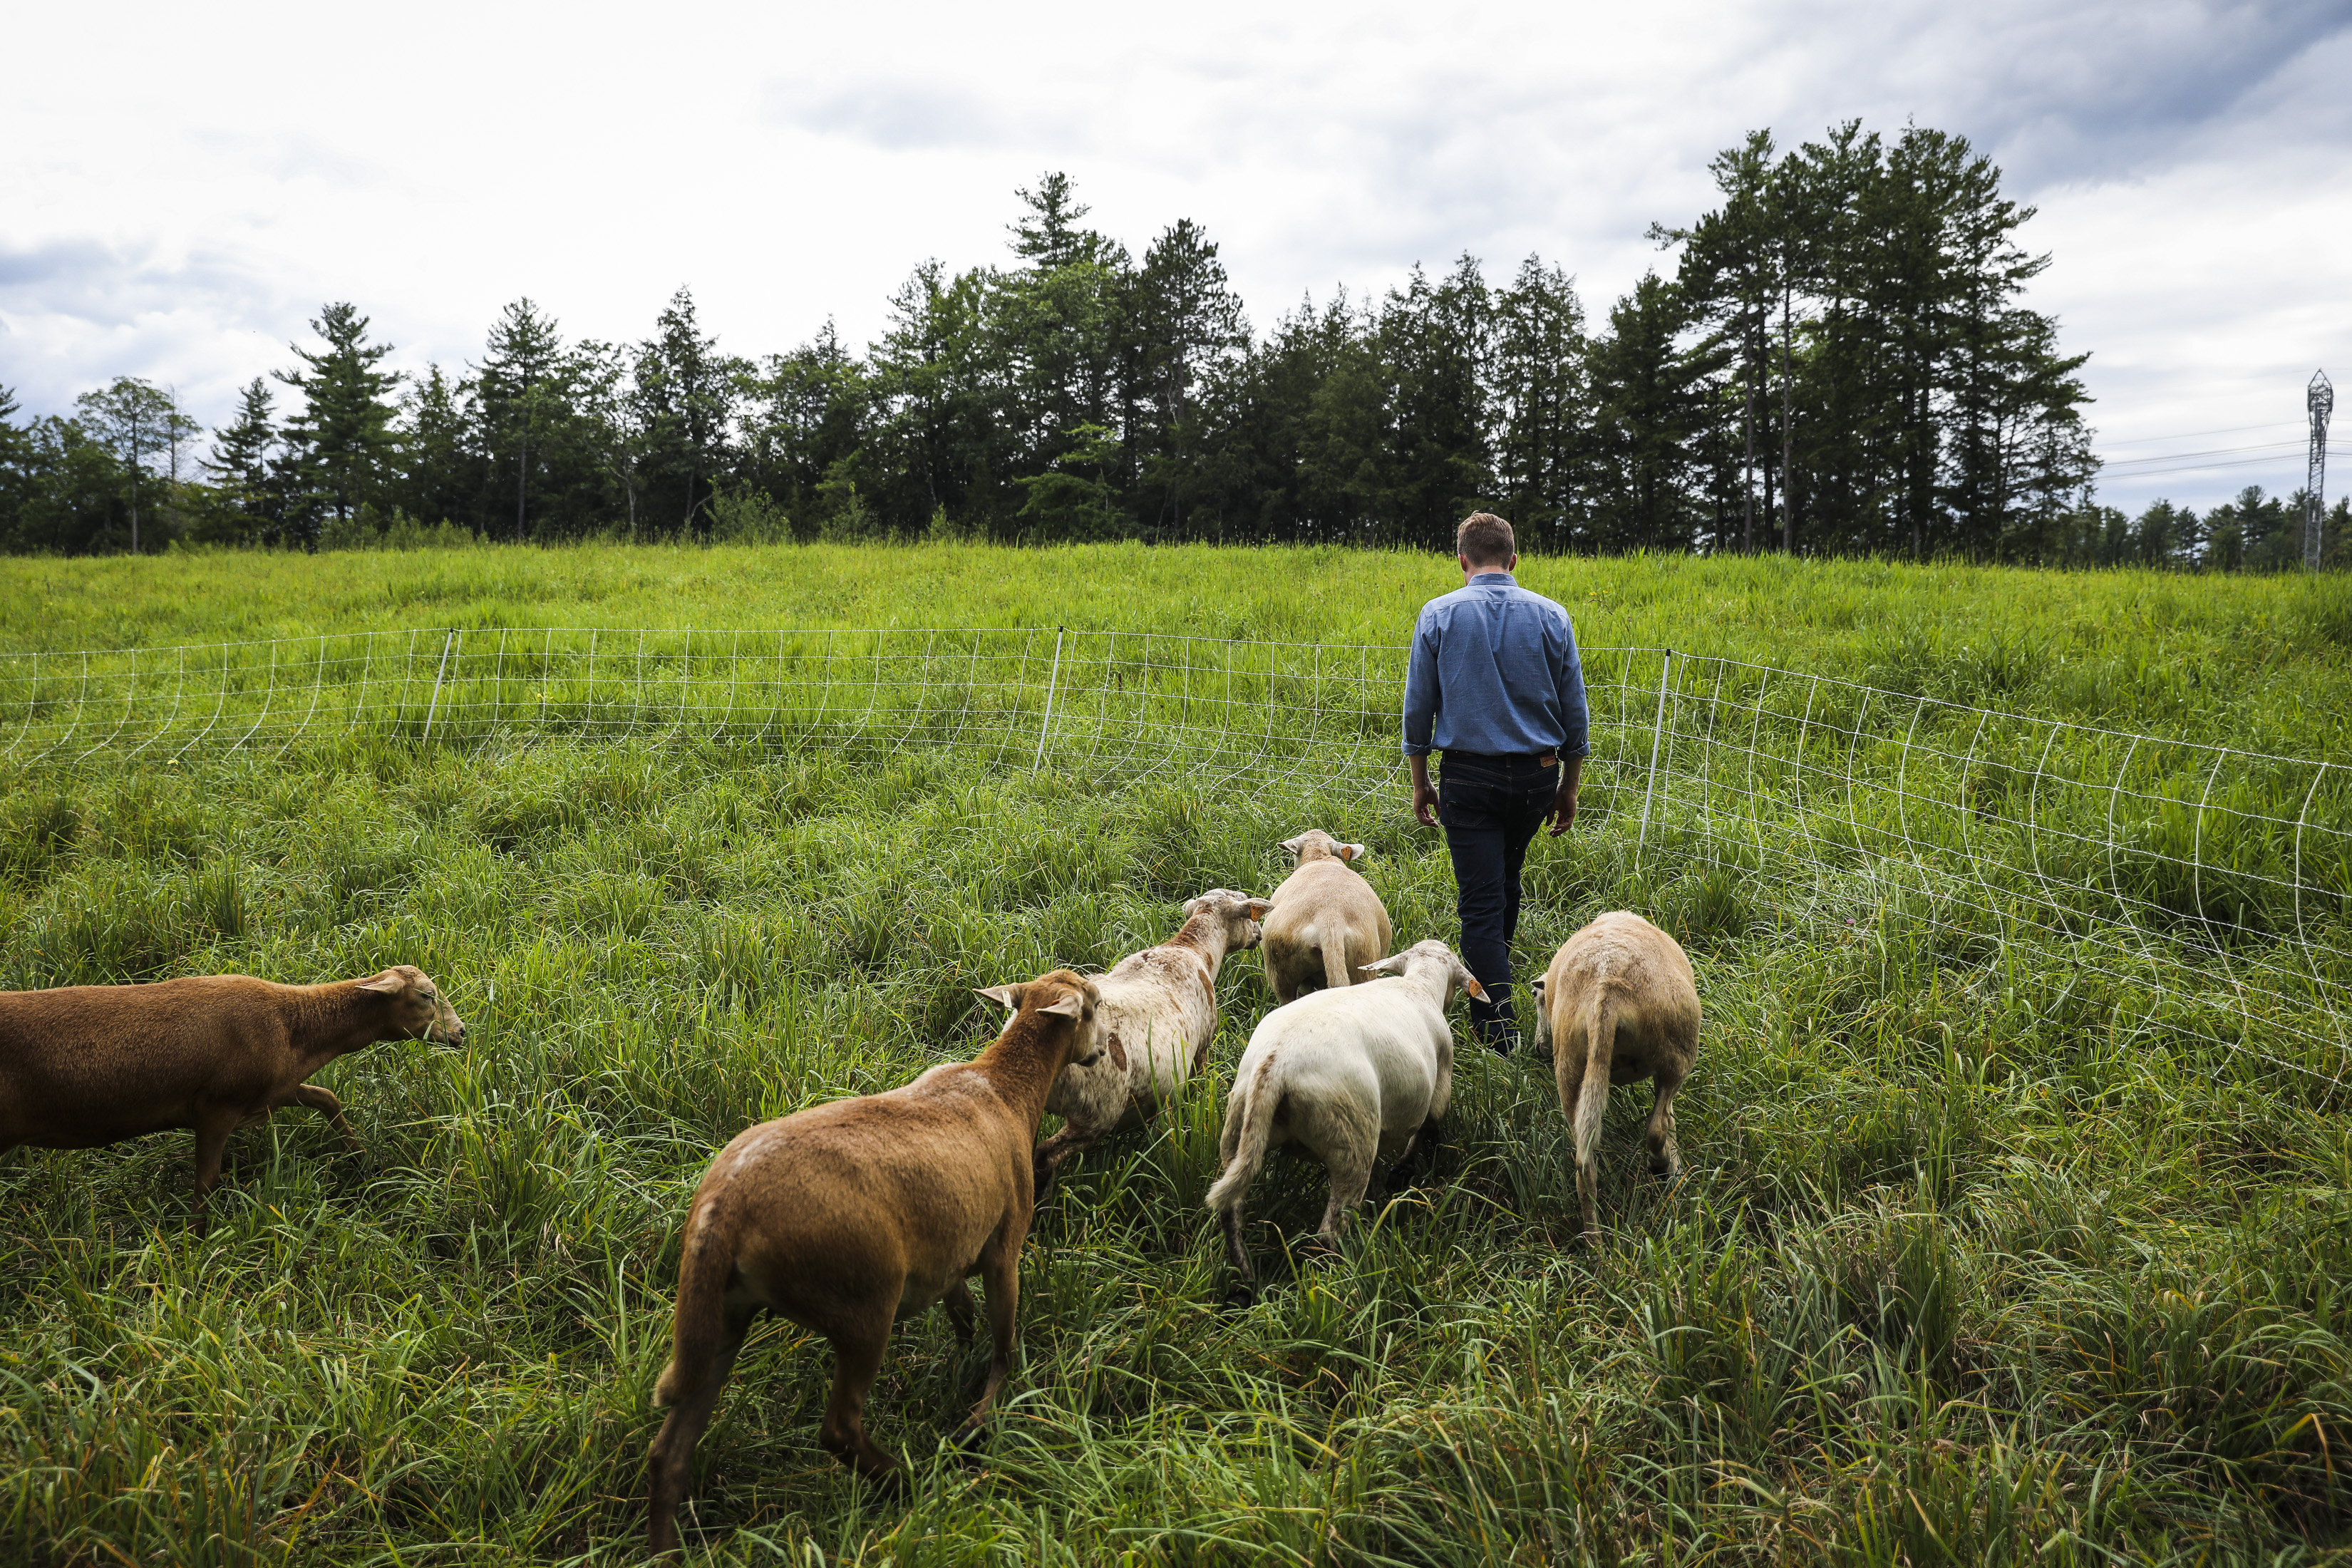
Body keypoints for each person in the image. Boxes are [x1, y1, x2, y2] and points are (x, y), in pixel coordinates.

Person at [1401, 512, 1587, 1056]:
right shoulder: (1554, 617)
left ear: (1462, 561)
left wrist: (1421, 782)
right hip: (1537, 777)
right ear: (1513, 559)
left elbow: (1419, 709)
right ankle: (1496, 973)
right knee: (1506, 875)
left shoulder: (1438, 614)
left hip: (1469, 776)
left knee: (1480, 900)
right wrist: (1569, 787)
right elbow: (1575, 714)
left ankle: (1495, 1029)